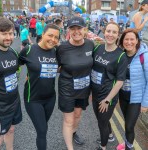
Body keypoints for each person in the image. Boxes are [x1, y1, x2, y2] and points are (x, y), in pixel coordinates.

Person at [19, 24, 60, 150]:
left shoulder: (56, 52)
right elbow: (13, 65)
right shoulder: (29, 50)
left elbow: (60, 67)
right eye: (50, 35)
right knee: (42, 131)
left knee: (44, 127)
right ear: (43, 34)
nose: (52, 39)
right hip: (33, 99)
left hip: (50, 98)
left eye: (56, 37)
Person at [57, 16, 94, 150]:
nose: (76, 31)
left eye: (79, 28)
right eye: (73, 28)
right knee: (69, 119)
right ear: (69, 30)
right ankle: (69, 147)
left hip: (84, 88)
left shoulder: (90, 44)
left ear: (85, 29)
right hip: (67, 88)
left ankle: (73, 133)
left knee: (78, 115)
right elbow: (54, 67)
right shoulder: (62, 48)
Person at [91, 22, 128, 150]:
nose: (110, 34)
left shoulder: (121, 56)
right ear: (104, 31)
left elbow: (120, 81)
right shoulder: (98, 48)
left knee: (102, 123)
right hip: (95, 93)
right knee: (103, 120)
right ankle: (110, 135)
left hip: (107, 96)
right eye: (108, 31)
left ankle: (103, 146)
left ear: (118, 35)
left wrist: (107, 100)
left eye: (114, 32)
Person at [117, 28, 148, 150]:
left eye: (132, 39)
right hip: (123, 96)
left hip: (136, 98)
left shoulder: (144, 57)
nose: (129, 42)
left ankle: (129, 147)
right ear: (122, 41)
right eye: (126, 39)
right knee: (126, 123)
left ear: (137, 41)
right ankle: (127, 143)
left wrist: (145, 103)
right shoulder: (121, 54)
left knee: (130, 126)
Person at [0, 17, 22, 150]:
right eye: (4, 33)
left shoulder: (12, 52)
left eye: (11, 33)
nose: (8, 37)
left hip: (14, 101)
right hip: (0, 107)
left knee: (11, 130)